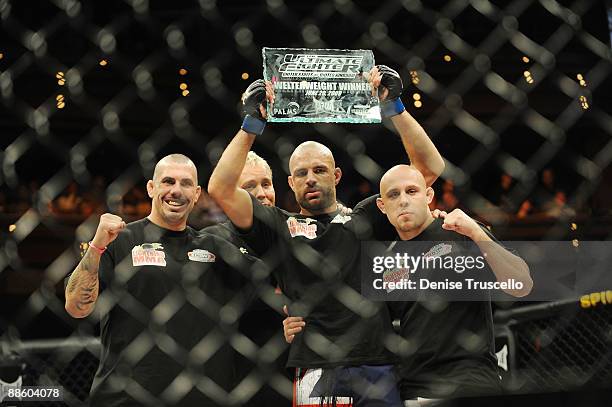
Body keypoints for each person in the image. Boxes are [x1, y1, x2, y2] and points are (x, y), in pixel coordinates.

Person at [208, 65, 445, 406]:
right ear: (290, 183)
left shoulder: (364, 216)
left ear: (335, 175)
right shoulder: (278, 225)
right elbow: (220, 188)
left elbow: (428, 169)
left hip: (376, 362)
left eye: (319, 170)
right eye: (301, 173)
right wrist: (251, 124)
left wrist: (395, 106)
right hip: (317, 366)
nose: (310, 179)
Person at [285, 165, 533, 404]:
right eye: (393, 195)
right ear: (382, 206)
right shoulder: (386, 260)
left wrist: (476, 234)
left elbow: (522, 285)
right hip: (413, 388)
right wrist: (300, 325)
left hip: (471, 382)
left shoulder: (460, 233)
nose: (403, 200)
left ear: (428, 195)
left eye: (411, 191)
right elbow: (361, 320)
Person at [65, 154, 261, 407]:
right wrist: (96, 246)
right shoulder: (120, 240)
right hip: (126, 400)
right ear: (151, 188)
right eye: (168, 181)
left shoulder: (215, 248)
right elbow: (76, 307)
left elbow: (275, 283)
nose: (176, 191)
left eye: (186, 183)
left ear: (197, 193)